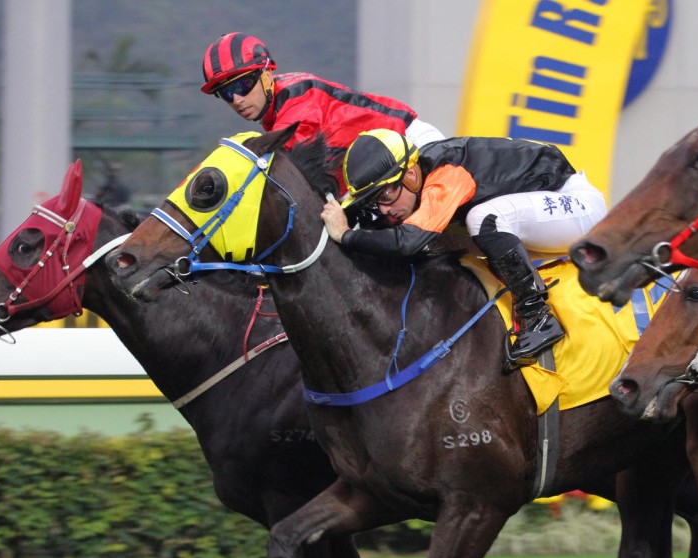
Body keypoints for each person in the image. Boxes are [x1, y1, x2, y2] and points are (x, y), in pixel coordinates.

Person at [319, 129, 607, 366]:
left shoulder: (446, 173)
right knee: (445, 239)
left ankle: (538, 318)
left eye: (385, 195)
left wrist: (345, 235)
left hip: (575, 205)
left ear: (410, 175)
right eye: (374, 201)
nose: (384, 209)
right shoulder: (418, 176)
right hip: (536, 217)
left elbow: (407, 242)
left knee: (480, 219)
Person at [200, 32, 445, 194]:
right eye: (226, 93)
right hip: (378, 172)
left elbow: (276, 170)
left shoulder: (297, 98)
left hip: (413, 146)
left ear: (266, 75)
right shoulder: (275, 111)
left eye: (242, 85)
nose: (237, 100)